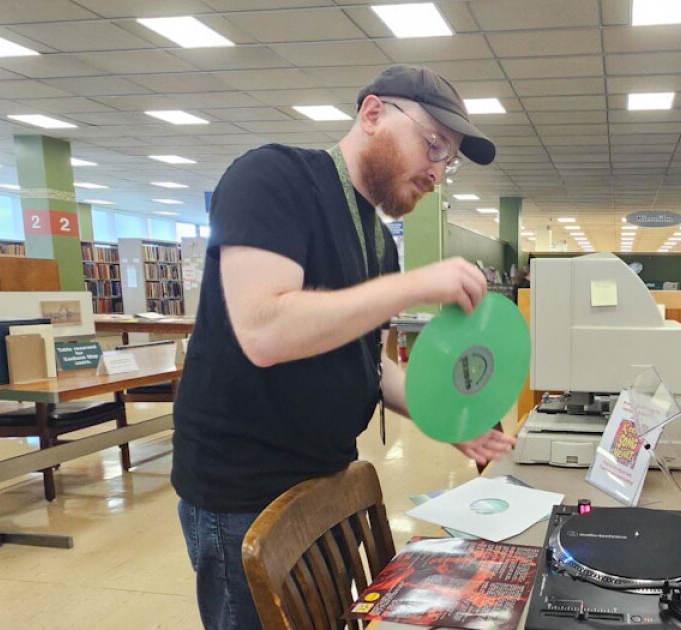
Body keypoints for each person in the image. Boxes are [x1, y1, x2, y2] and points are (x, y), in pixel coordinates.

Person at [171, 65, 516, 630]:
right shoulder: (271, 178)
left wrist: (445, 418)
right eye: (432, 146)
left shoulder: (377, 239)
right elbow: (265, 330)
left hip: (323, 477)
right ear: (373, 113)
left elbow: (367, 364)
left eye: (446, 160)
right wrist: (411, 287)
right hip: (243, 494)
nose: (436, 171)